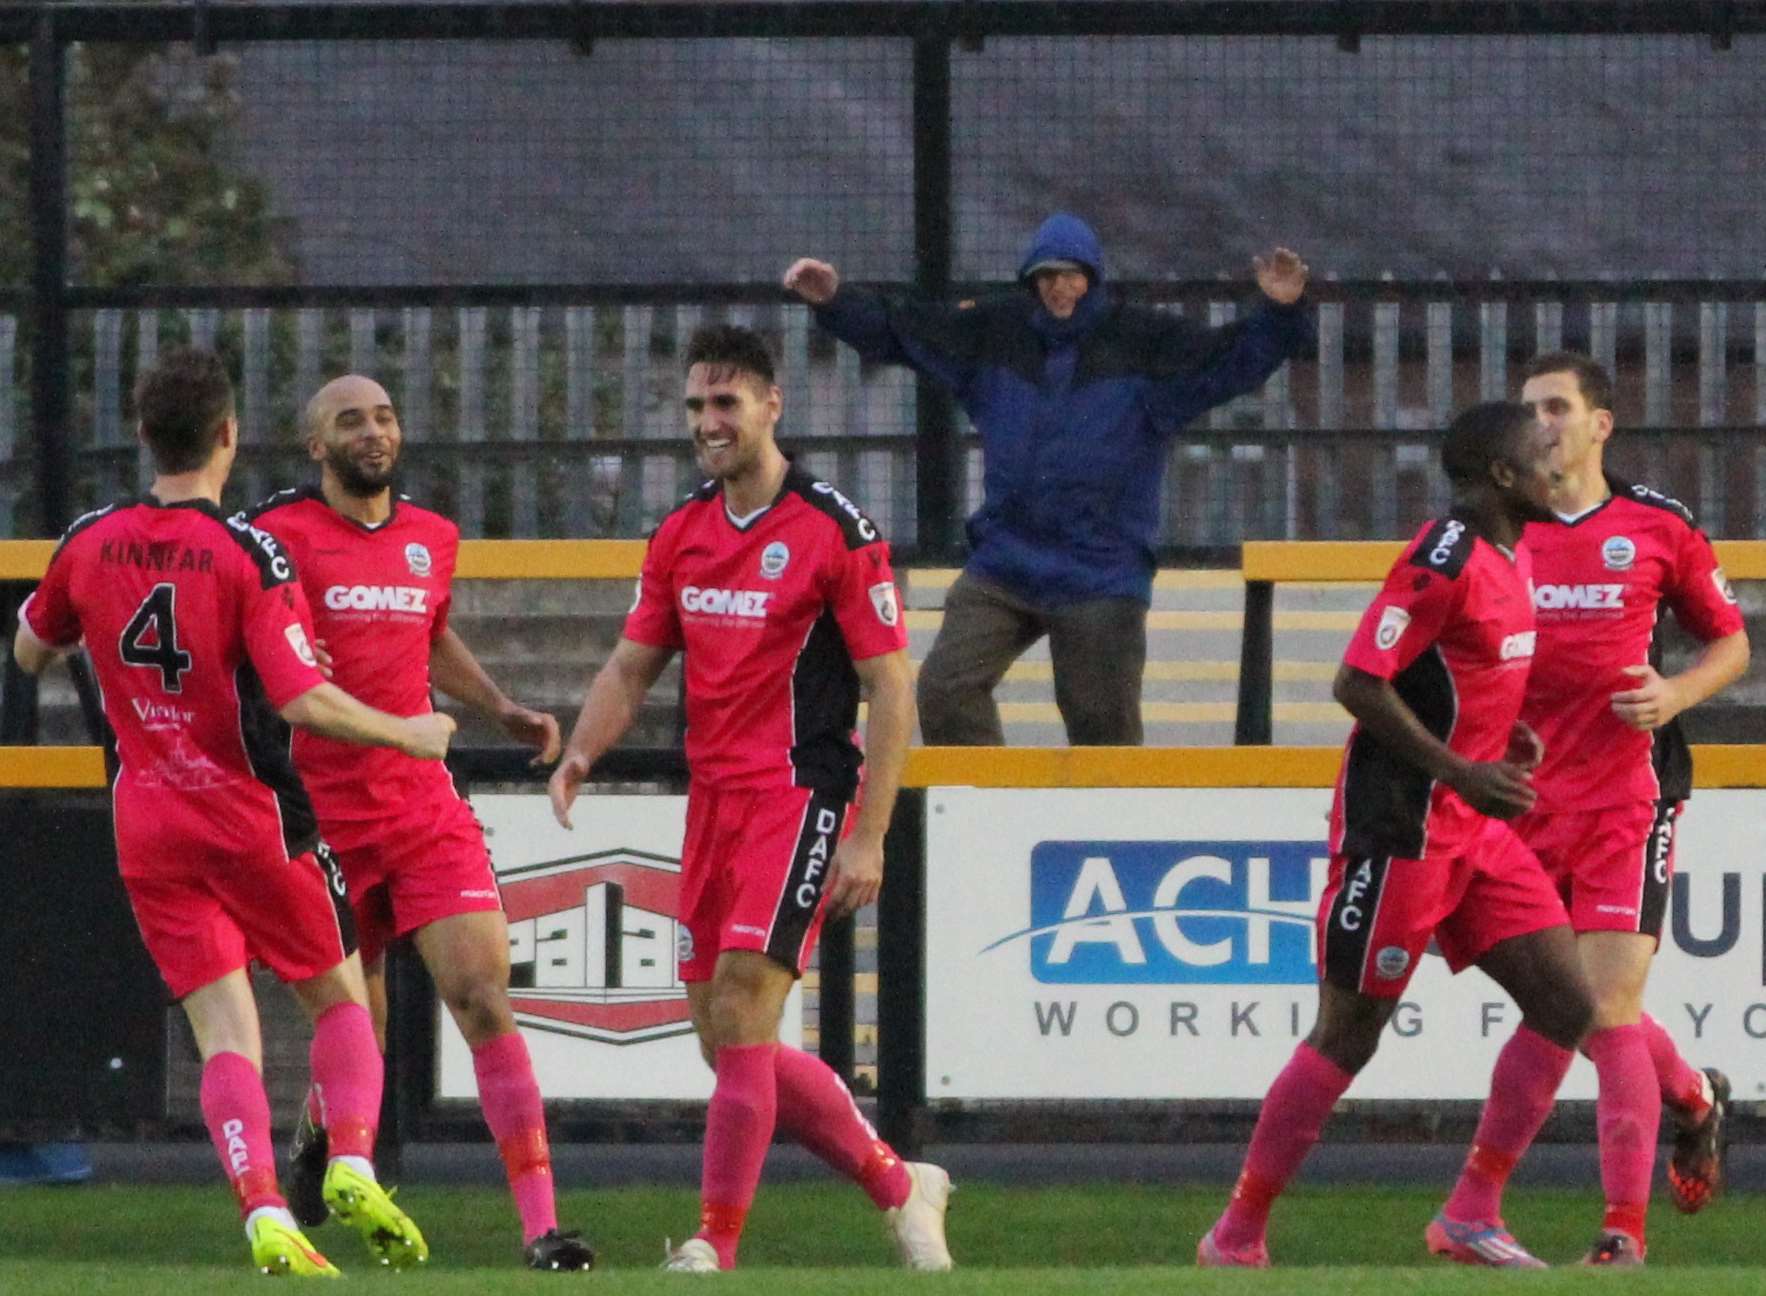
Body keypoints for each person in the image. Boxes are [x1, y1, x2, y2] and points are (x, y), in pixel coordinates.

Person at [13, 347, 448, 1276]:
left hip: (147, 821)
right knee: (340, 1007)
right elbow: (301, 701)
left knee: (224, 1032)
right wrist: (409, 733)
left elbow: (27, 652)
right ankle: (353, 1164)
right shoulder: (249, 551)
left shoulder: (88, 539)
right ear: (228, 435)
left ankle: (260, 1209)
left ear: (142, 436)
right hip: (249, 814)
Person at [547, 324, 945, 1273]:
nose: (708, 423)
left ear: (774, 405)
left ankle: (713, 1245)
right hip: (713, 801)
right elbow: (632, 663)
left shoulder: (834, 531)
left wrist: (870, 835)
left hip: (799, 794)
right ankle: (899, 1183)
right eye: (695, 407)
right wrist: (581, 755)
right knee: (725, 1039)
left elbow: (891, 687)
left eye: (726, 404)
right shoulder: (683, 531)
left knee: (743, 1005)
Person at [1197, 401, 1595, 1269]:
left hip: (1474, 828)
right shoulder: (1443, 556)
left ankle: (1469, 1217)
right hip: (1402, 828)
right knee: (1350, 1032)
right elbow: (1358, 683)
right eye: (1540, 449)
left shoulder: (1512, 553)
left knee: (1567, 1004)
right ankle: (1238, 1234)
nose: (1555, 459)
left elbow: (1456, 679)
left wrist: (1499, 744)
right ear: (1500, 475)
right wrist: (1460, 768)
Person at [245, 375, 595, 1272]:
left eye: (386, 416)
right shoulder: (274, 536)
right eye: (350, 420)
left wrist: (500, 709)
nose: (374, 431)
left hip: (422, 807)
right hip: (322, 814)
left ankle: (542, 1228)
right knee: (358, 1015)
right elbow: (239, 628)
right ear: (316, 445)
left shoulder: (431, 538)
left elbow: (431, 636)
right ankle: (326, 1128)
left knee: (482, 995)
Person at [1430, 353, 1749, 1267]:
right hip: (1518, 801)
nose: (1542, 425)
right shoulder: (1495, 530)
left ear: (1601, 424)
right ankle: (1687, 1092)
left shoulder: (1655, 525)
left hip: (1626, 797)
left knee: (1604, 1004)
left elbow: (1730, 644)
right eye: (1530, 411)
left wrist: (1677, 695)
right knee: (1565, 1004)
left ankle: (1620, 1235)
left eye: (1558, 407)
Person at [783, 212, 1311, 747]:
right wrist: (834, 301)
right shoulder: (996, 335)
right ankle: (989, 811)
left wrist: (1281, 312)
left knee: (1101, 728)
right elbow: (907, 330)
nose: (1060, 289)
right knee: (945, 689)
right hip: (1006, 562)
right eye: (1047, 277)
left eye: (1072, 276)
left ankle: (1104, 830)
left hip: (1102, 571)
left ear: (1094, 279)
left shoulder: (1143, 343)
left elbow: (1230, 360)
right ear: (1032, 282)